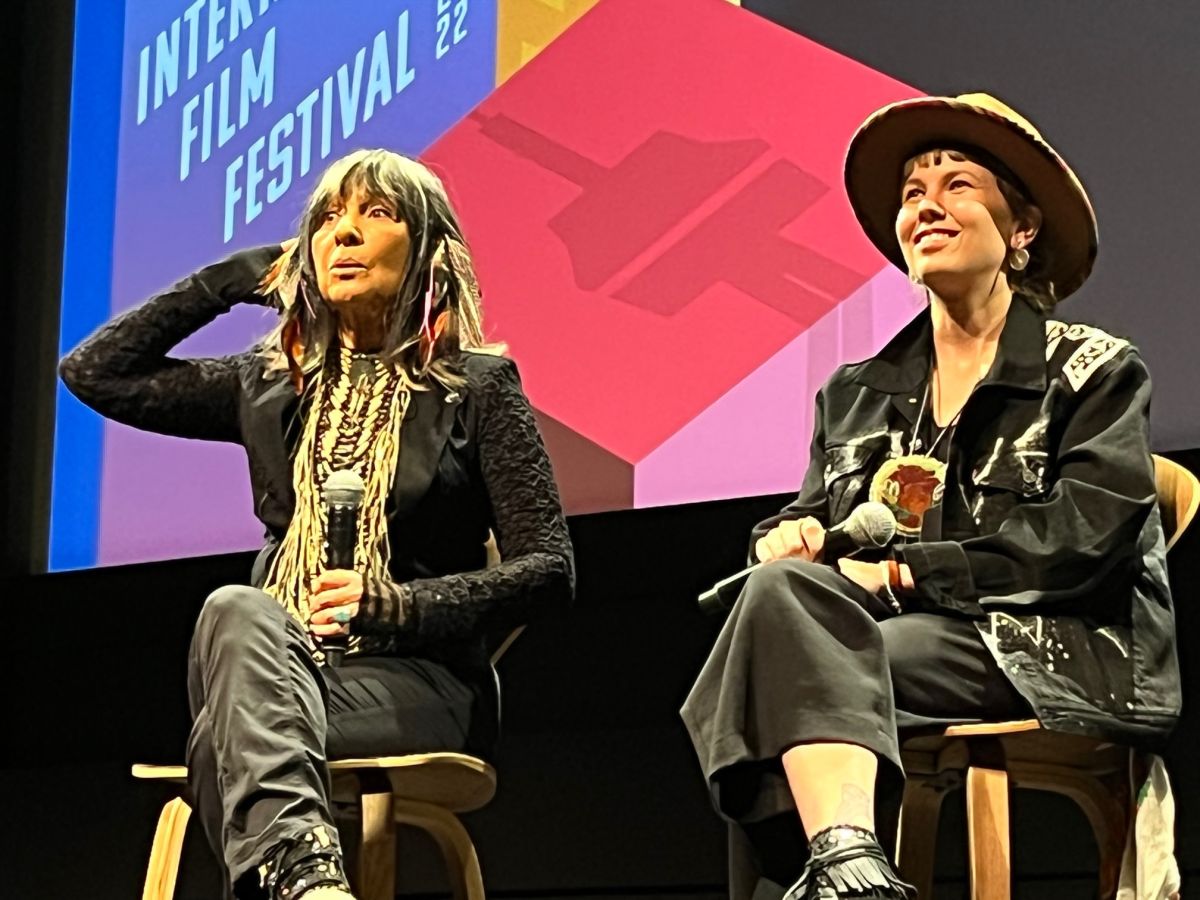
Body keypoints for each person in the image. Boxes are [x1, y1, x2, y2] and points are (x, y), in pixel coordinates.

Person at [680, 93, 1179, 900]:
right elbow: (814, 517)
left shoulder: (1093, 370)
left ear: (1021, 232)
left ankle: (822, 874)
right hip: (887, 634)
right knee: (779, 614)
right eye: (913, 192)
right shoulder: (858, 391)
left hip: (1045, 642)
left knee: (773, 667)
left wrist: (907, 575)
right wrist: (787, 535)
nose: (926, 206)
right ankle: (848, 864)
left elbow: (1086, 537)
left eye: (958, 185)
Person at [60, 149, 575, 900]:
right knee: (237, 610)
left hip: (415, 683)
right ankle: (311, 880)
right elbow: (94, 372)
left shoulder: (478, 388)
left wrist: (398, 605)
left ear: (429, 251)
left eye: (377, 213)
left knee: (221, 746)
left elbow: (550, 568)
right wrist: (231, 280)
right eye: (328, 219)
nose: (345, 234)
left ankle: (300, 878)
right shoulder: (268, 384)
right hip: (280, 673)